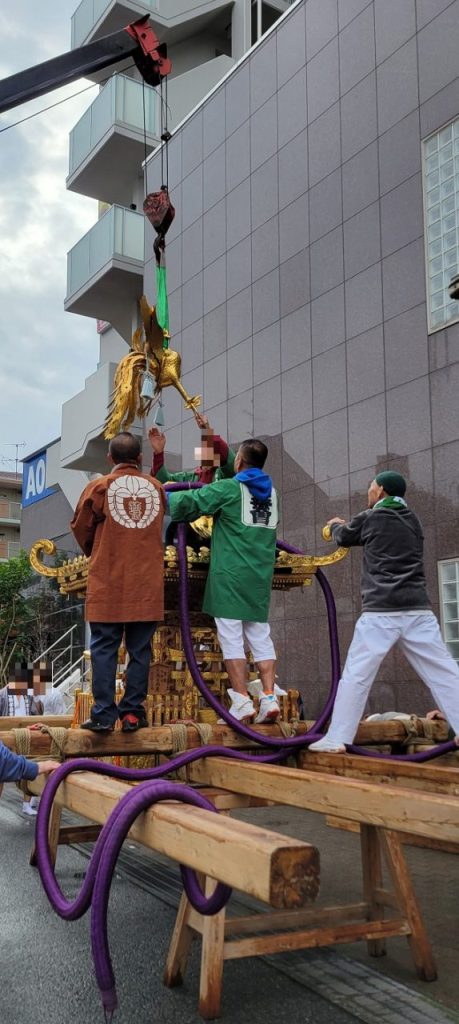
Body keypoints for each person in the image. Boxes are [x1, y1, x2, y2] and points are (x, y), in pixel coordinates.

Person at [309, 471, 459, 752]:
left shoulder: (371, 518)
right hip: (418, 610)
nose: (369, 491)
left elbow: (344, 536)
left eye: (371, 487)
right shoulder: (413, 519)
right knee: (444, 671)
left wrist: (333, 527)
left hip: (381, 611)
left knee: (357, 674)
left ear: (380, 492)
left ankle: (338, 738)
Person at [168, 438, 280, 724]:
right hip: (259, 577)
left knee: (231, 639)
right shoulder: (272, 495)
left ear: (239, 462)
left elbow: (189, 502)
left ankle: (242, 700)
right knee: (260, 637)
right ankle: (269, 698)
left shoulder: (230, 488)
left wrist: (157, 495)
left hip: (231, 575)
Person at [70, 431, 166, 733]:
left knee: (103, 648)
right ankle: (133, 713)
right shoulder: (156, 488)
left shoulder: (98, 487)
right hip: (146, 583)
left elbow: (81, 528)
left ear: (110, 458)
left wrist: (97, 550)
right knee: (140, 650)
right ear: (140, 458)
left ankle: (103, 714)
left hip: (108, 581)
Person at [149, 411, 235, 484]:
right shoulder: (190, 478)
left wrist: (207, 431)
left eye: (211, 448)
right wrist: (158, 453)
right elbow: (164, 481)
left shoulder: (224, 474)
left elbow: (228, 458)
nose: (206, 452)